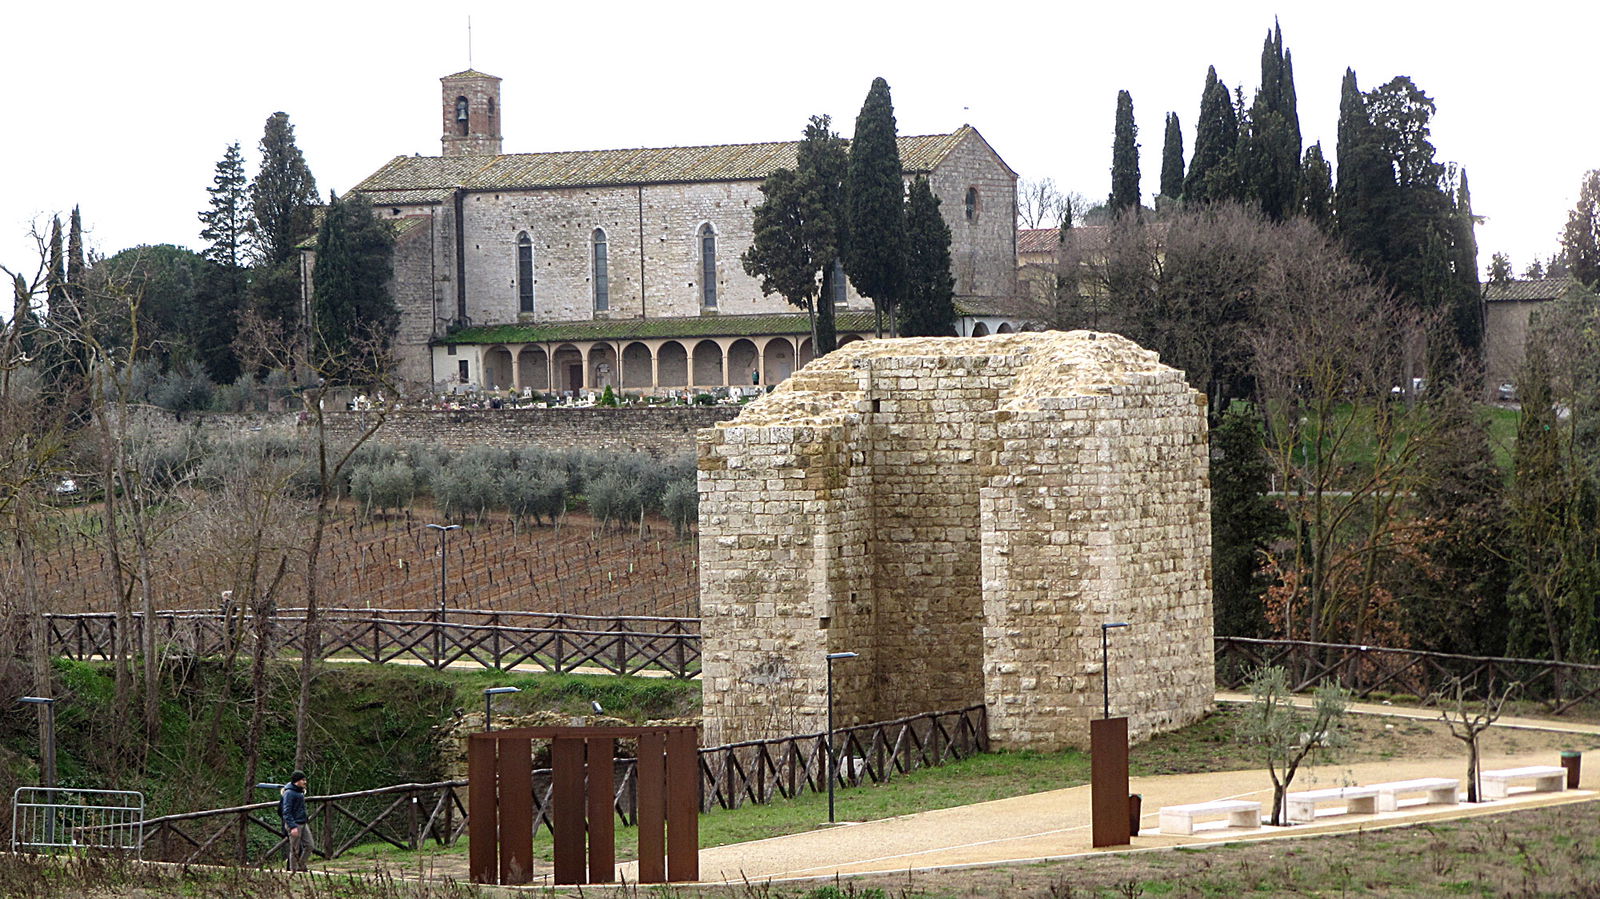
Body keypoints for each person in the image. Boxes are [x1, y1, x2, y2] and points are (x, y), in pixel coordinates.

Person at [279, 771, 312, 872]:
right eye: (303, 780)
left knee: (310, 845)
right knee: (295, 849)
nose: (305, 782)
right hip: (294, 823)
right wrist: (292, 826)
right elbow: (286, 811)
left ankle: (300, 865)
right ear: (297, 781)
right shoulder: (289, 793)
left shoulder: (299, 791)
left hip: (303, 822)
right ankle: (293, 870)